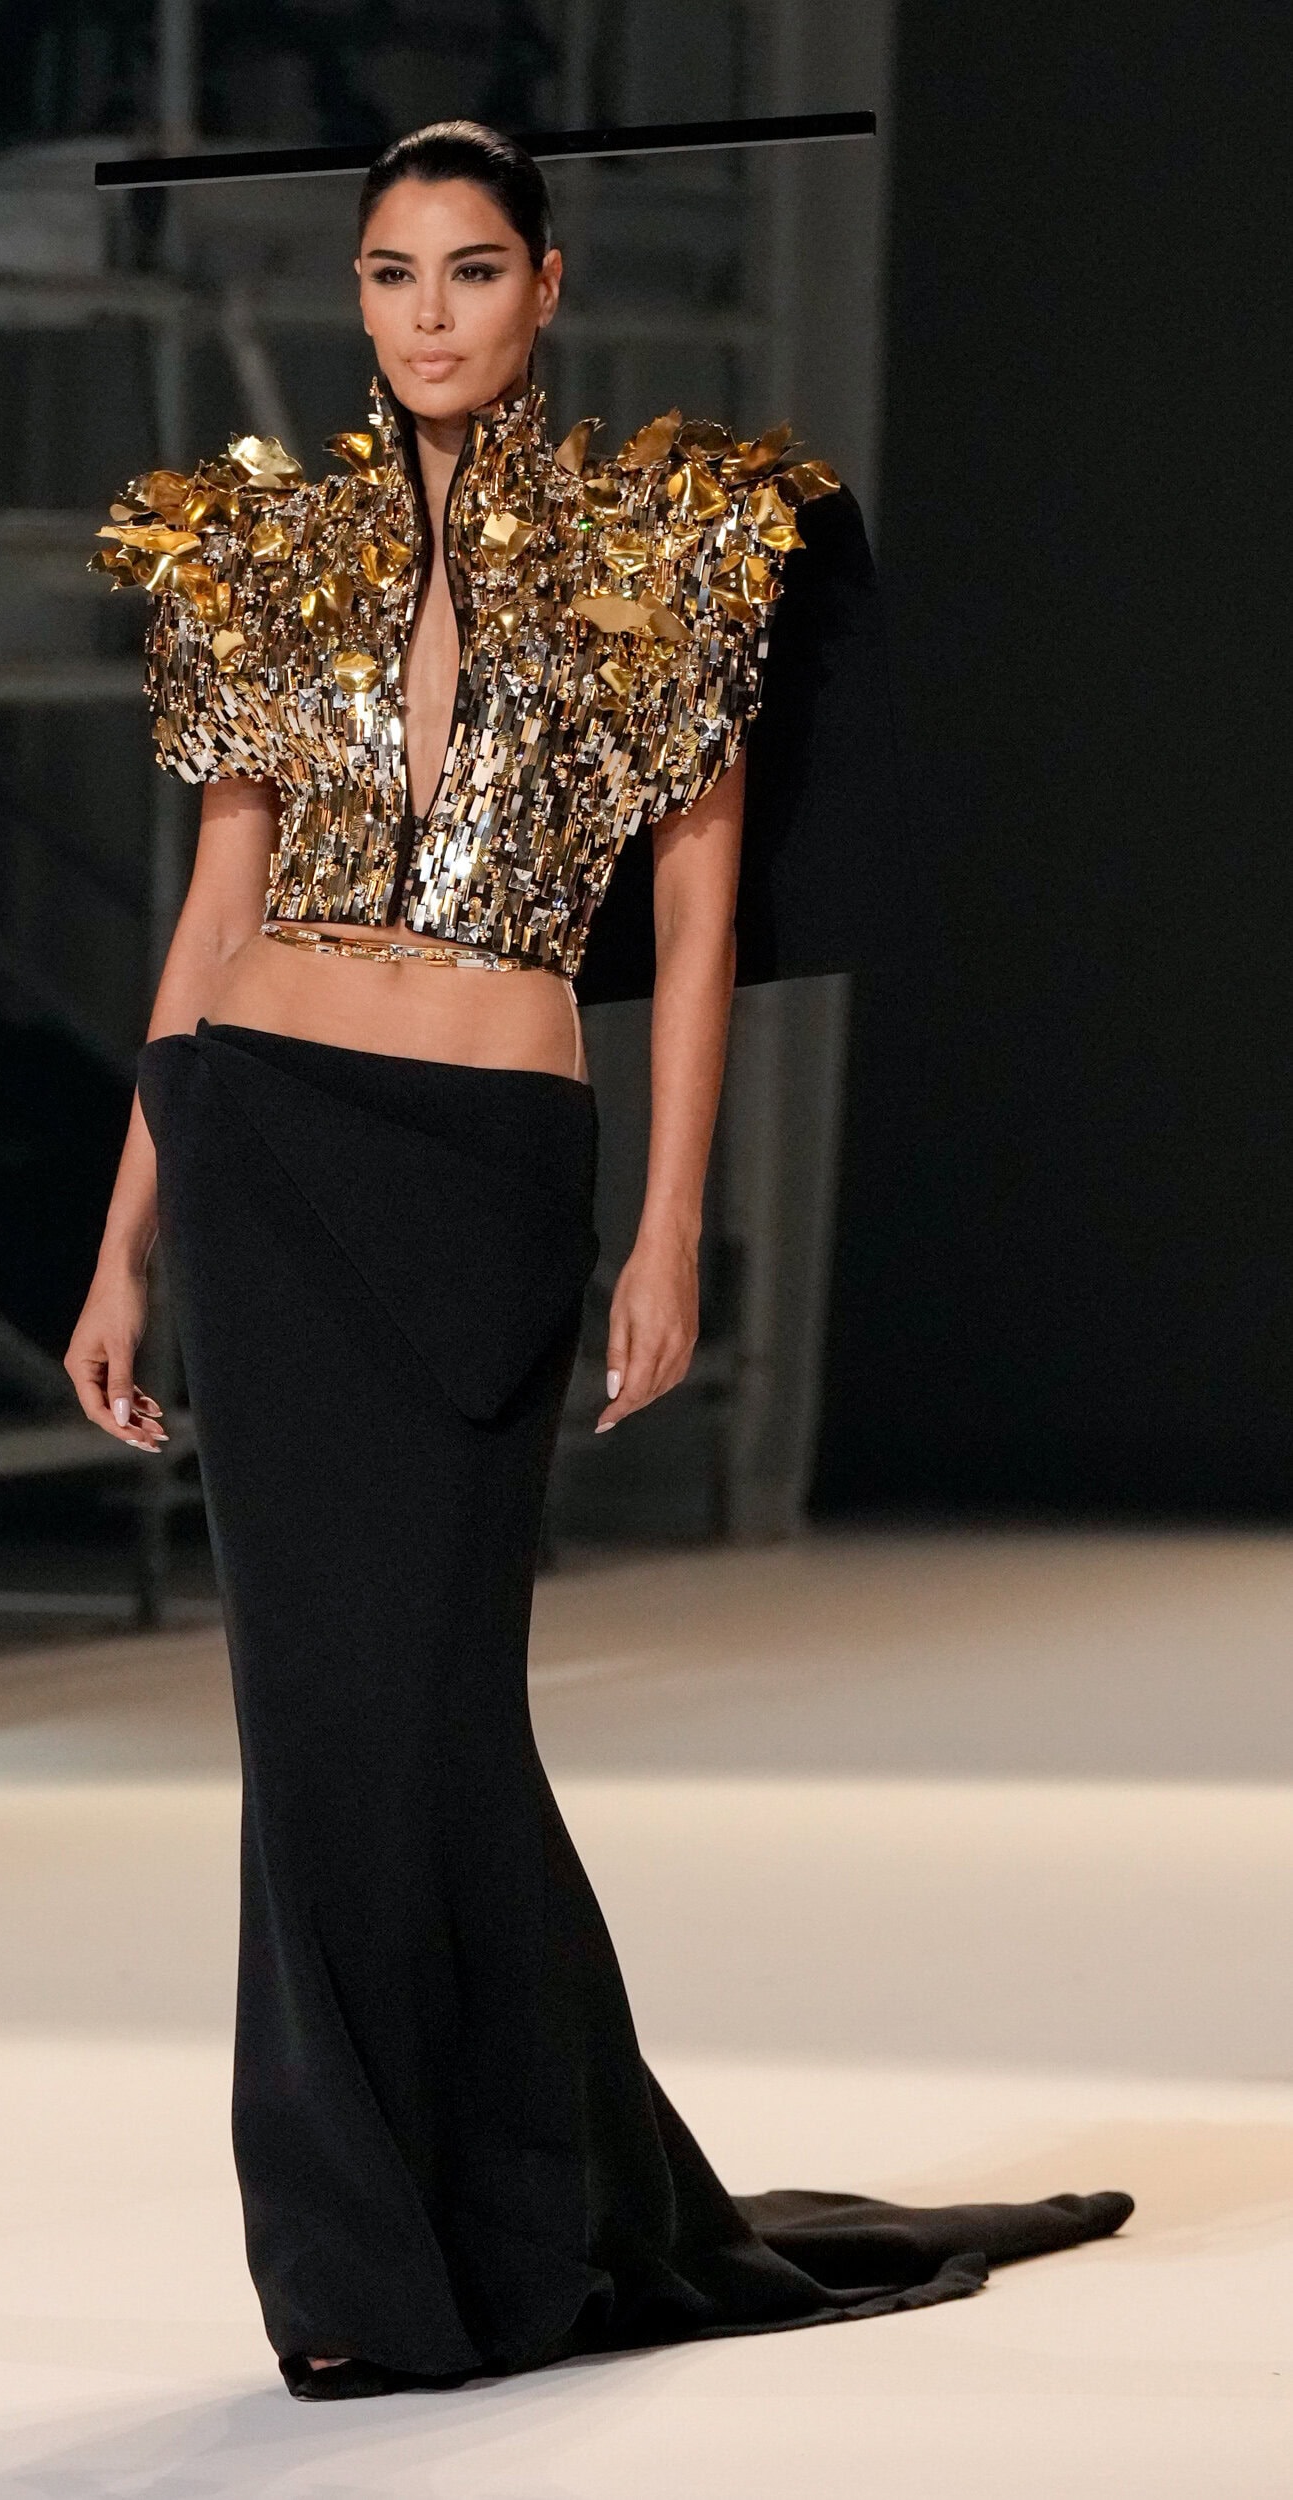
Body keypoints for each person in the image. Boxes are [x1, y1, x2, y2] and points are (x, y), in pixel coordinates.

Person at [67, 119, 1131, 2401]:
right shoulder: (263, 551)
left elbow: (698, 916)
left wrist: (667, 1226)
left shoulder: (673, 545)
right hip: (261, 1150)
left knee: (438, 1711)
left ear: (546, 285)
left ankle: (544, 2207)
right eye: (389, 272)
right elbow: (217, 900)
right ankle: (366, 2270)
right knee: (310, 1729)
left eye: (469, 268)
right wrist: (123, 1234)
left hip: (478, 1166)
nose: (426, 313)